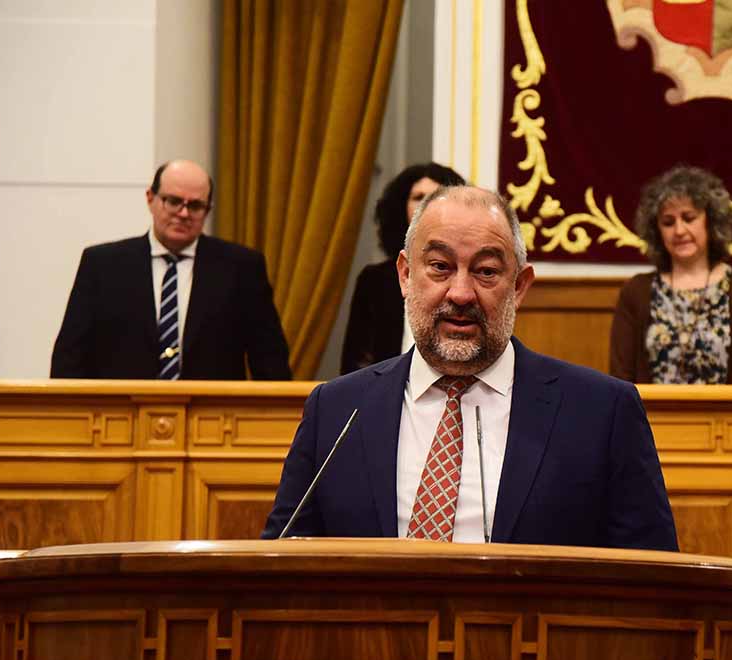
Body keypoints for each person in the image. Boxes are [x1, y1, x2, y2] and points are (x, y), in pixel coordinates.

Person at [263, 185, 678, 552]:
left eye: (486, 272)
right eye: (440, 267)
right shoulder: (337, 410)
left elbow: (654, 578)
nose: (461, 294)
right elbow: (277, 564)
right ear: (405, 275)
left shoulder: (601, 412)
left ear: (519, 286)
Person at [51, 159, 291, 380]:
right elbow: (68, 360)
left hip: (213, 411)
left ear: (208, 210)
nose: (183, 213)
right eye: (174, 201)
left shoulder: (242, 268)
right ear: (150, 199)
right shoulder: (102, 265)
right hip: (119, 410)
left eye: (195, 206)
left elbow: (271, 363)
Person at [609, 165, 732, 384]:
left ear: (711, 221)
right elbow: (620, 381)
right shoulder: (635, 292)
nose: (679, 231)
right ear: (656, 230)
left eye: (689, 218)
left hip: (727, 408)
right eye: (668, 222)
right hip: (649, 408)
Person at [340, 162, 466, 374]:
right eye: (418, 197)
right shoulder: (375, 280)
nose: (426, 205)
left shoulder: (466, 278)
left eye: (436, 197)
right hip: (387, 388)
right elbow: (357, 363)